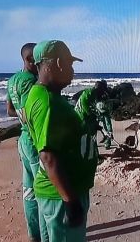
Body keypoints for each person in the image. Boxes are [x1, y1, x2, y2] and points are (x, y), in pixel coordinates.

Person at [25, 40, 98, 242]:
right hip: (61, 196)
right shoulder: (48, 102)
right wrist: (70, 201)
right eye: (70, 64)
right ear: (57, 63)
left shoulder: (46, 95)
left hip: (56, 193)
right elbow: (48, 156)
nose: (72, 70)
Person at [6, 43, 41, 242]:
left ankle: (33, 234)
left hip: (23, 141)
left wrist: (21, 115)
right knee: (43, 188)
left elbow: (10, 110)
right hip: (33, 139)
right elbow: (35, 112)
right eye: (39, 60)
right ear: (30, 60)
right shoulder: (30, 81)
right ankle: (45, 233)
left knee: (28, 189)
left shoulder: (12, 80)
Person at [75, 80, 113, 149]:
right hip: (82, 117)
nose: (103, 93)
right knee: (87, 136)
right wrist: (96, 123)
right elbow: (87, 112)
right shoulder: (87, 95)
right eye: (102, 91)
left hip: (91, 115)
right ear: (98, 89)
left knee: (93, 133)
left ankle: (95, 151)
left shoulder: (95, 94)